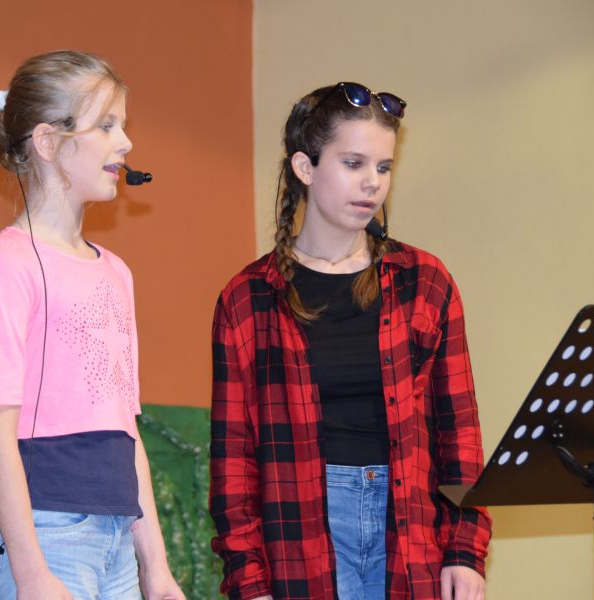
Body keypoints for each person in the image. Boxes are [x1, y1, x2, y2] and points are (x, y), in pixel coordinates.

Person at [209, 82, 491, 600]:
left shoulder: (425, 281)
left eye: (383, 167)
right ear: (305, 167)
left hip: (411, 532)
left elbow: (459, 433)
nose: (372, 183)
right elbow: (233, 461)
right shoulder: (248, 298)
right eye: (354, 163)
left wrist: (464, 550)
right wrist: (249, 581)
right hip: (299, 537)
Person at [0, 50, 184, 600]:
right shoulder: (8, 262)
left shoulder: (116, 272)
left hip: (116, 534)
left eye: (123, 125)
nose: (126, 142)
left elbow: (125, 427)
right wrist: (31, 573)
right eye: (106, 125)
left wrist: (155, 565)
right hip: (48, 534)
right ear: (47, 142)